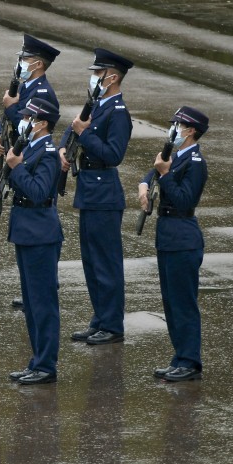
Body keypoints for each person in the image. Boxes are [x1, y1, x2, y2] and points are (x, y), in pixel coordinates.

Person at [0, 98, 63, 385]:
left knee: (43, 302)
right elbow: (7, 174)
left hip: (40, 232)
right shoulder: (29, 146)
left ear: (42, 123)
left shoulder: (49, 152)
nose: (24, 121)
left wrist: (17, 168)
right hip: (26, 230)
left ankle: (46, 366)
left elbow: (39, 191)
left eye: (29, 117)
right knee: (31, 303)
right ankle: (37, 360)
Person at [61, 48, 134, 346]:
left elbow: (113, 154)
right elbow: (73, 131)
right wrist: (64, 149)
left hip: (104, 191)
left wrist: (85, 134)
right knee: (91, 262)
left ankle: (113, 325)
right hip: (90, 190)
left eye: (98, 73)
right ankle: (100, 319)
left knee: (106, 262)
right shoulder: (96, 104)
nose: (93, 78)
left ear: (112, 77)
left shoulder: (118, 112)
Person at [140, 107, 209, 382]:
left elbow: (184, 201)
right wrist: (145, 184)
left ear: (191, 130)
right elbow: (153, 170)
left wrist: (166, 175)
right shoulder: (176, 155)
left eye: (178, 125)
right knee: (170, 302)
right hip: (168, 237)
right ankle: (179, 356)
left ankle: (190, 361)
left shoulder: (195, 162)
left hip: (183, 237)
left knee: (183, 304)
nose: (173, 130)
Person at [0, 34, 59, 310]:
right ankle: (33, 286)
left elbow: (25, 121)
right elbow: (11, 118)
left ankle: (43, 285)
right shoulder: (24, 85)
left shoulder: (42, 92)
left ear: (39, 64)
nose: (20, 63)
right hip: (18, 158)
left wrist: (11, 111)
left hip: (29, 164)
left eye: (26, 59)